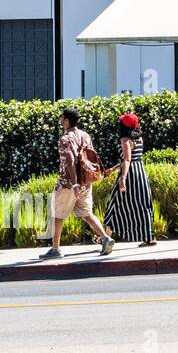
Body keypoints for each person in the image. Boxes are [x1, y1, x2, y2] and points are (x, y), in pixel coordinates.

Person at [42, 108, 115, 259]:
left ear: (67, 121)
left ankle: (55, 249)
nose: (60, 120)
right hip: (86, 183)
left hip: (69, 184)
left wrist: (74, 183)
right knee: (87, 213)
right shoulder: (85, 135)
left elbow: (69, 161)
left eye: (62, 118)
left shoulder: (65, 139)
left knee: (58, 214)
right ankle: (105, 238)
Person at [104, 112, 156, 247]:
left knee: (114, 204)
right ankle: (150, 237)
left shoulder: (125, 140)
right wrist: (114, 168)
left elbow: (127, 159)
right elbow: (132, 158)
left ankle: (105, 238)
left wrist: (123, 177)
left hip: (130, 175)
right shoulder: (139, 139)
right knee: (143, 204)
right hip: (140, 172)